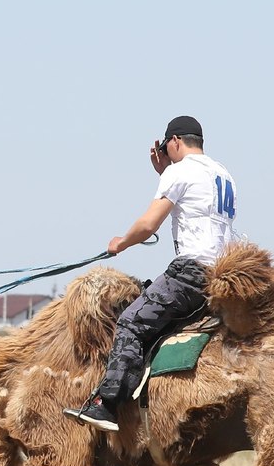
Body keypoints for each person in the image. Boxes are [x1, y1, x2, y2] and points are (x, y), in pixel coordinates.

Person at [65, 115, 239, 432]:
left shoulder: (181, 171)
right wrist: (166, 171)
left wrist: (121, 243)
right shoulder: (223, 174)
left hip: (190, 273)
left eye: (166, 147)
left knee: (131, 321)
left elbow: (148, 225)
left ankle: (108, 405)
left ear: (173, 142)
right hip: (221, 276)